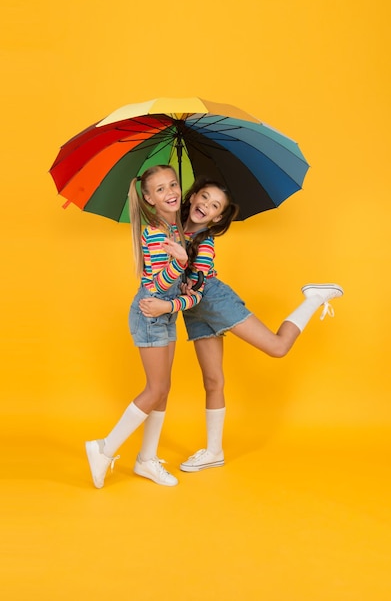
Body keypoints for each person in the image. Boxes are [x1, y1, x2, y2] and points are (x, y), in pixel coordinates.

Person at [139, 177, 344, 472]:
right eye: (204, 197)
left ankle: (313, 298)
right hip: (194, 312)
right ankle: (214, 452)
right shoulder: (171, 230)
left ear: (218, 216)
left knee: (277, 347)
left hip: (212, 300)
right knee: (213, 381)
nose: (205, 206)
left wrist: (186, 281)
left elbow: (197, 281)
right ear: (193, 196)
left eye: (214, 206)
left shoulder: (204, 243)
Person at [85, 165, 205, 489]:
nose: (171, 192)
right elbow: (157, 281)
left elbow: (173, 285)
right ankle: (104, 449)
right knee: (155, 389)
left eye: (174, 184)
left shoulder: (174, 229)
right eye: (161, 189)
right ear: (149, 198)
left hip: (166, 313)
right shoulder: (154, 231)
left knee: (163, 389)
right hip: (150, 314)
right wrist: (180, 263)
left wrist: (182, 286)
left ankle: (146, 460)